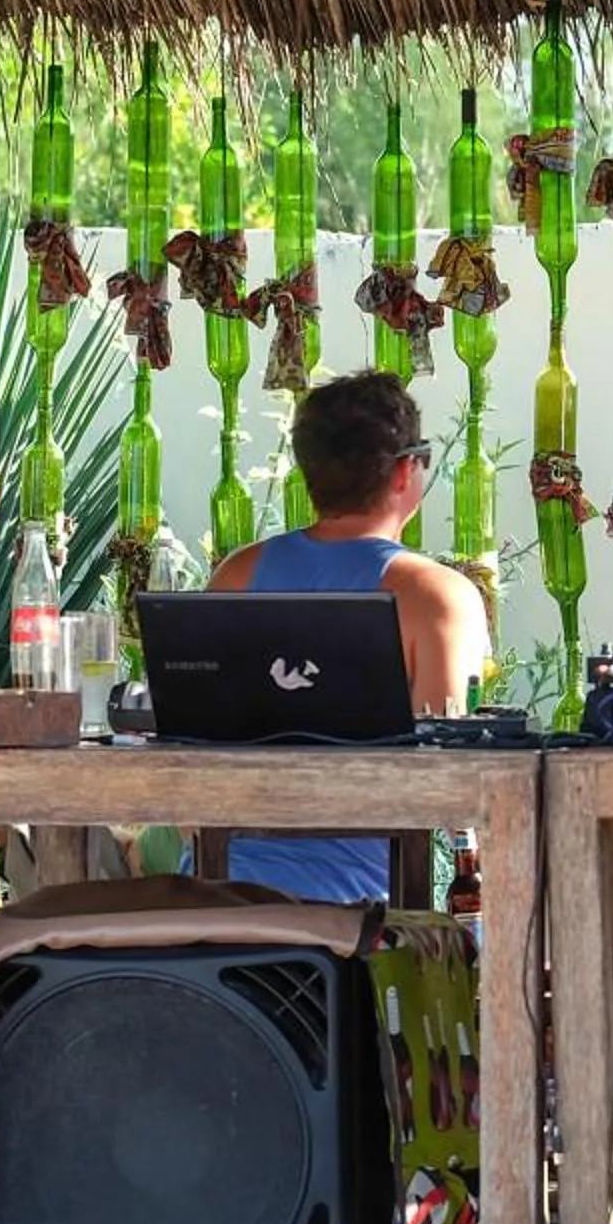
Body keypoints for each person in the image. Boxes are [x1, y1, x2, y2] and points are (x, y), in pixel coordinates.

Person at [205, 370, 491, 902]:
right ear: (407, 470)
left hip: (214, 898)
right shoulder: (436, 598)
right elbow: (451, 781)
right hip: (359, 918)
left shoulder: (236, 577)